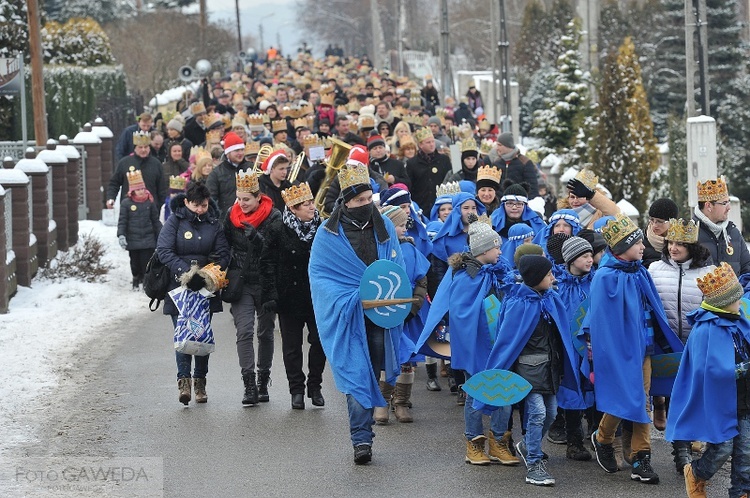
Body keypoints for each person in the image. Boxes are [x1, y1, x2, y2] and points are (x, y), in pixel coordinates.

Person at [309, 162, 405, 464]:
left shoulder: (385, 226)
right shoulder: (328, 233)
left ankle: (369, 421)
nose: (364, 205)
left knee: (374, 369)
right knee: (355, 373)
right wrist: (351, 296)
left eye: (368, 199)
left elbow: (395, 266)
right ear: (346, 201)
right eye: (358, 200)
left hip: (380, 313)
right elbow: (320, 276)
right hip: (348, 315)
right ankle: (361, 439)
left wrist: (395, 295)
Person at [585, 214, 683, 484]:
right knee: (627, 397)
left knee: (642, 399)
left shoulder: (639, 271)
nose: (643, 247)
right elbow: (602, 322)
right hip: (619, 352)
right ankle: (603, 437)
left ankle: (641, 457)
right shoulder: (605, 278)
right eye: (637, 243)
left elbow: (652, 308)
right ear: (621, 248)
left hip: (645, 348)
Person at [419, 214, 519, 466]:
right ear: (484, 249)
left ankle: (498, 442)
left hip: (499, 343)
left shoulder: (500, 272)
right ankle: (474, 444)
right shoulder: (465, 277)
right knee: (476, 392)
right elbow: (461, 314)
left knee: (503, 391)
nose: (500, 249)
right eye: (496, 246)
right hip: (475, 345)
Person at [482, 254, 581, 486]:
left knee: (552, 413)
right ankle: (535, 464)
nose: (553, 277)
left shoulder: (551, 299)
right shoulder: (519, 303)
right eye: (548, 274)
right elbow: (508, 341)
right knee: (537, 413)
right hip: (527, 369)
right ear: (536, 278)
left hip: (550, 369)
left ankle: (527, 445)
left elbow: (561, 337)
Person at [665, 263, 750, 498]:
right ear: (723, 302)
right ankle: (696, 474)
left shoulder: (738, 320)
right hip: (720, 402)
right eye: (736, 299)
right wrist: (745, 368)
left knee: (746, 452)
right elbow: (710, 372)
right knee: (723, 449)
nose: (739, 304)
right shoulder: (705, 329)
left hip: (744, 399)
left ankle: (741, 493)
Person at [648, 218, 714, 471]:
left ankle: (683, 450)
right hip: (664, 344)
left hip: (693, 344)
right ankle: (681, 452)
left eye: (680, 243)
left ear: (692, 246)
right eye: (671, 242)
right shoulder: (654, 269)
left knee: (686, 398)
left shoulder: (707, 273)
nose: (673, 248)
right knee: (671, 394)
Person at [156, 182, 230, 405]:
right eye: (196, 205)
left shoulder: (214, 224)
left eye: (204, 206)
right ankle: (184, 381)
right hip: (179, 289)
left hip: (205, 289)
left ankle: (200, 382)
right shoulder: (175, 221)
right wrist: (187, 273)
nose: (200, 210)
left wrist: (206, 276)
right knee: (183, 334)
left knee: (201, 334)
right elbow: (164, 251)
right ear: (187, 202)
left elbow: (223, 254)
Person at [259, 182, 326, 410]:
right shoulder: (278, 228)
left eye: (311, 203)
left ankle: (314, 385)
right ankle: (296, 390)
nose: (311, 207)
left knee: (319, 341)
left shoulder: (323, 228)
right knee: (292, 346)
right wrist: (270, 293)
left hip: (316, 296)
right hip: (288, 296)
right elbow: (266, 262)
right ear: (293, 209)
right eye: (305, 205)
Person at [223, 169, 283, 407]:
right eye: (238, 198)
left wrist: (258, 239)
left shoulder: (274, 215)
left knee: (265, 332)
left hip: (266, 281)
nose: (241, 203)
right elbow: (222, 245)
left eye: (246, 199)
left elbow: (278, 248)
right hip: (242, 281)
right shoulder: (231, 215)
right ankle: (248, 384)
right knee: (244, 331)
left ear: (258, 197)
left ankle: (262, 379)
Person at [374, 205, 429, 424]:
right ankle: (382, 401)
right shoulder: (379, 249)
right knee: (386, 356)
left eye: (405, 225)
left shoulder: (411, 249)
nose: (404, 229)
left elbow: (422, 280)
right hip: (386, 314)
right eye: (399, 225)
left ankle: (402, 402)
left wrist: (413, 307)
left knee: (407, 359)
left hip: (408, 315)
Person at [555, 237, 597, 462]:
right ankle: (574, 441)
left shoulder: (597, 281)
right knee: (572, 392)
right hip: (569, 349)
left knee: (595, 391)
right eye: (584, 256)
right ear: (571, 259)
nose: (590, 259)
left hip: (595, 349)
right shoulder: (559, 285)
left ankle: (597, 436)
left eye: (591, 255)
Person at [693, 176, 750, 276]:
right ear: (708, 206)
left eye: (728, 202)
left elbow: (747, 269)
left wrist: (745, 291)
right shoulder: (690, 233)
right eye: (724, 203)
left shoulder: (734, 232)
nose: (729, 208)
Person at [117, 170, 162, 290]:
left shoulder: (150, 202)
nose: (141, 191)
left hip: (148, 239)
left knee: (146, 262)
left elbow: (155, 220)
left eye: (142, 188)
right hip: (133, 239)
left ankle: (146, 281)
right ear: (132, 191)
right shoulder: (126, 203)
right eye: (138, 189)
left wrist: (161, 234)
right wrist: (121, 235)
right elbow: (122, 221)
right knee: (135, 262)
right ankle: (136, 278)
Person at [107, 131, 167, 209]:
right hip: (129, 209)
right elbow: (114, 183)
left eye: (146, 147)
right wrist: (111, 198)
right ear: (135, 148)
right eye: (140, 147)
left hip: (151, 210)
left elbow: (161, 188)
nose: (143, 150)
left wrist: (161, 206)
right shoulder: (125, 163)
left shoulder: (156, 164)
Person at [405, 128, 452, 214]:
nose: (432, 145)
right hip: (421, 205)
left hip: (441, 205)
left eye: (433, 141)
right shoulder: (412, 163)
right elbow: (410, 185)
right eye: (428, 142)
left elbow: (449, 180)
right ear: (420, 145)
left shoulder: (444, 160)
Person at [206, 132, 251, 214]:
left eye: (242, 150)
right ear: (228, 153)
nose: (240, 153)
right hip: (227, 218)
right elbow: (211, 199)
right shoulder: (216, 173)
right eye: (236, 150)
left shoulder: (251, 168)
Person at [492, 132, 538, 198]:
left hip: (518, 204)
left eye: (499, 145)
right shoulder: (496, 163)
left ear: (508, 146)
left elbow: (532, 189)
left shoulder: (525, 162)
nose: (497, 148)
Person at [642, 198, 678, 268]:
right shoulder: (640, 242)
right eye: (652, 220)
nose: (654, 225)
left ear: (672, 222)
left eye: (660, 221)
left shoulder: (681, 243)